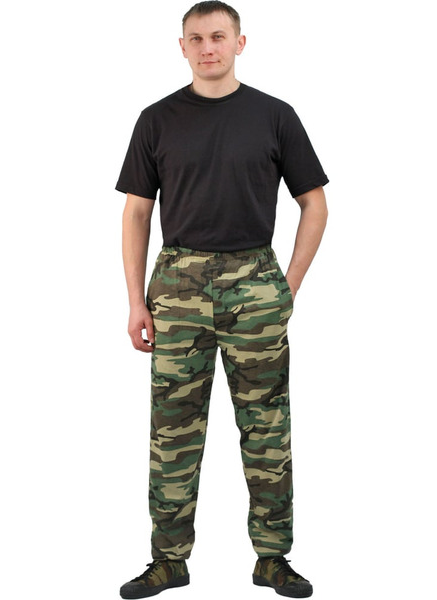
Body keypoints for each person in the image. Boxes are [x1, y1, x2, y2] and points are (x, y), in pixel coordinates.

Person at [116, 2, 329, 598]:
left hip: (255, 283)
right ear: (181, 47)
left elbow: (314, 204)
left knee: (267, 427)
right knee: (172, 431)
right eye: (196, 38)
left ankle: (273, 558)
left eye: (218, 36)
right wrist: (135, 301)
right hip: (176, 288)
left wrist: (286, 286)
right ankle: (168, 560)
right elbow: (137, 213)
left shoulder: (275, 116)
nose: (207, 47)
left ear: (240, 43)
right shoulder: (156, 120)